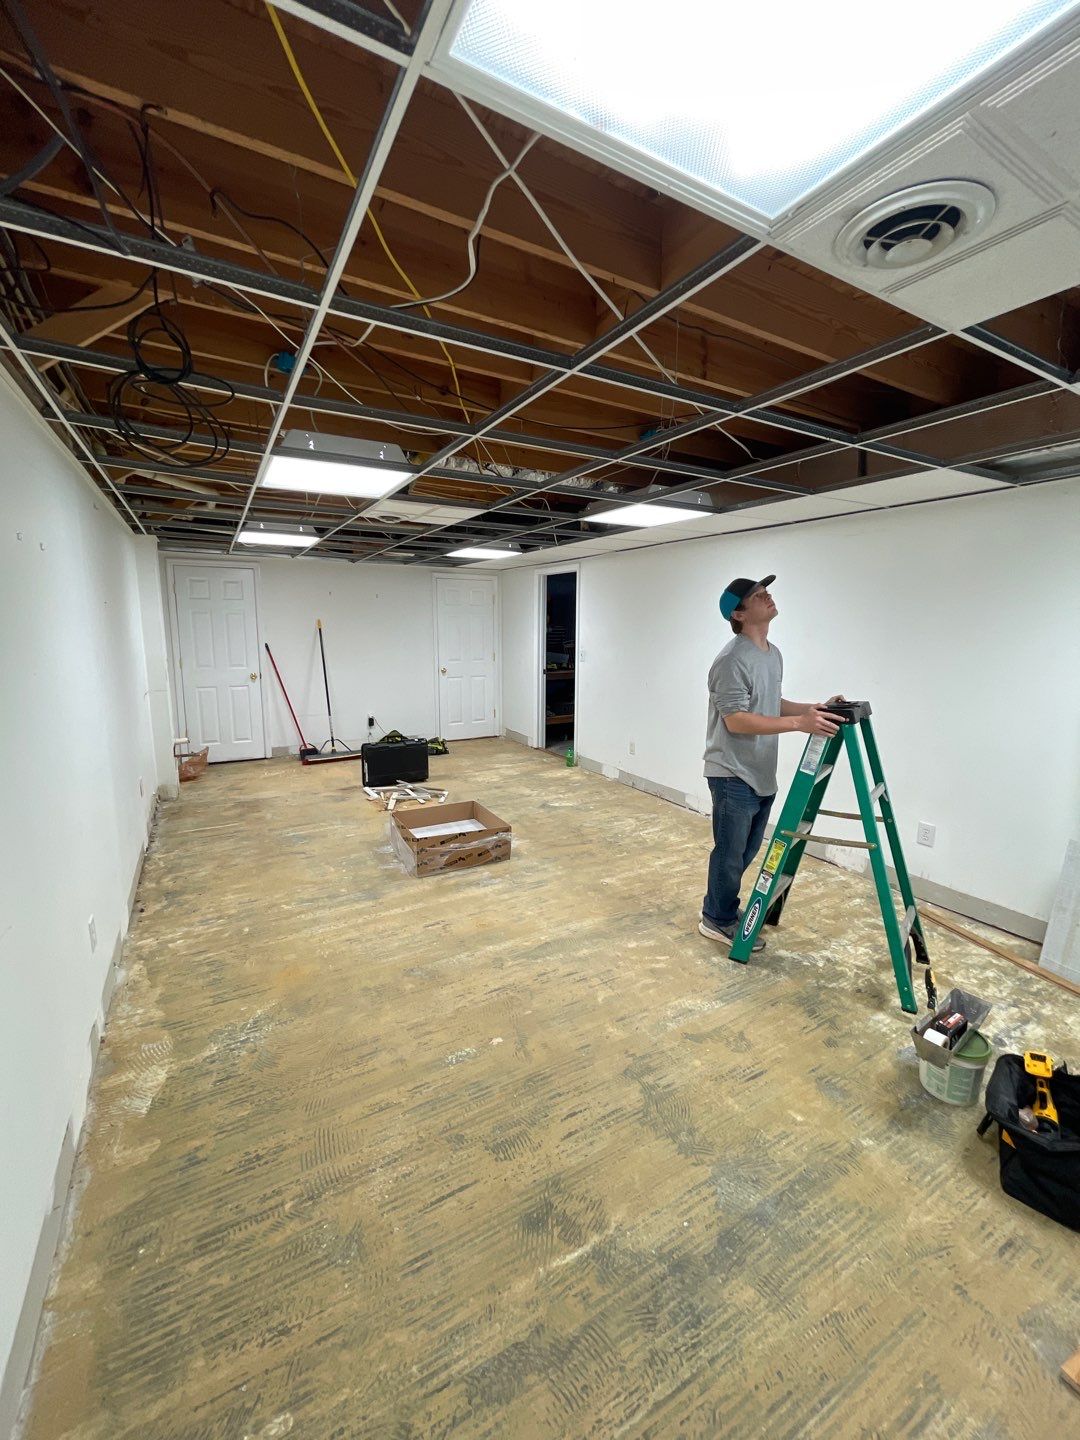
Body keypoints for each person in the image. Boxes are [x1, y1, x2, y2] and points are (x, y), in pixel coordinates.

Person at [700, 575, 844, 950]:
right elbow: (736, 719)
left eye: (766, 591)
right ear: (739, 613)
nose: (767, 596)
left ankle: (721, 909)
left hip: (761, 770)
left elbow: (769, 704)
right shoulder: (730, 660)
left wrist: (813, 710)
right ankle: (716, 919)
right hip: (732, 771)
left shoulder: (772, 653)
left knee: (745, 852)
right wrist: (800, 724)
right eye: (756, 595)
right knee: (731, 854)